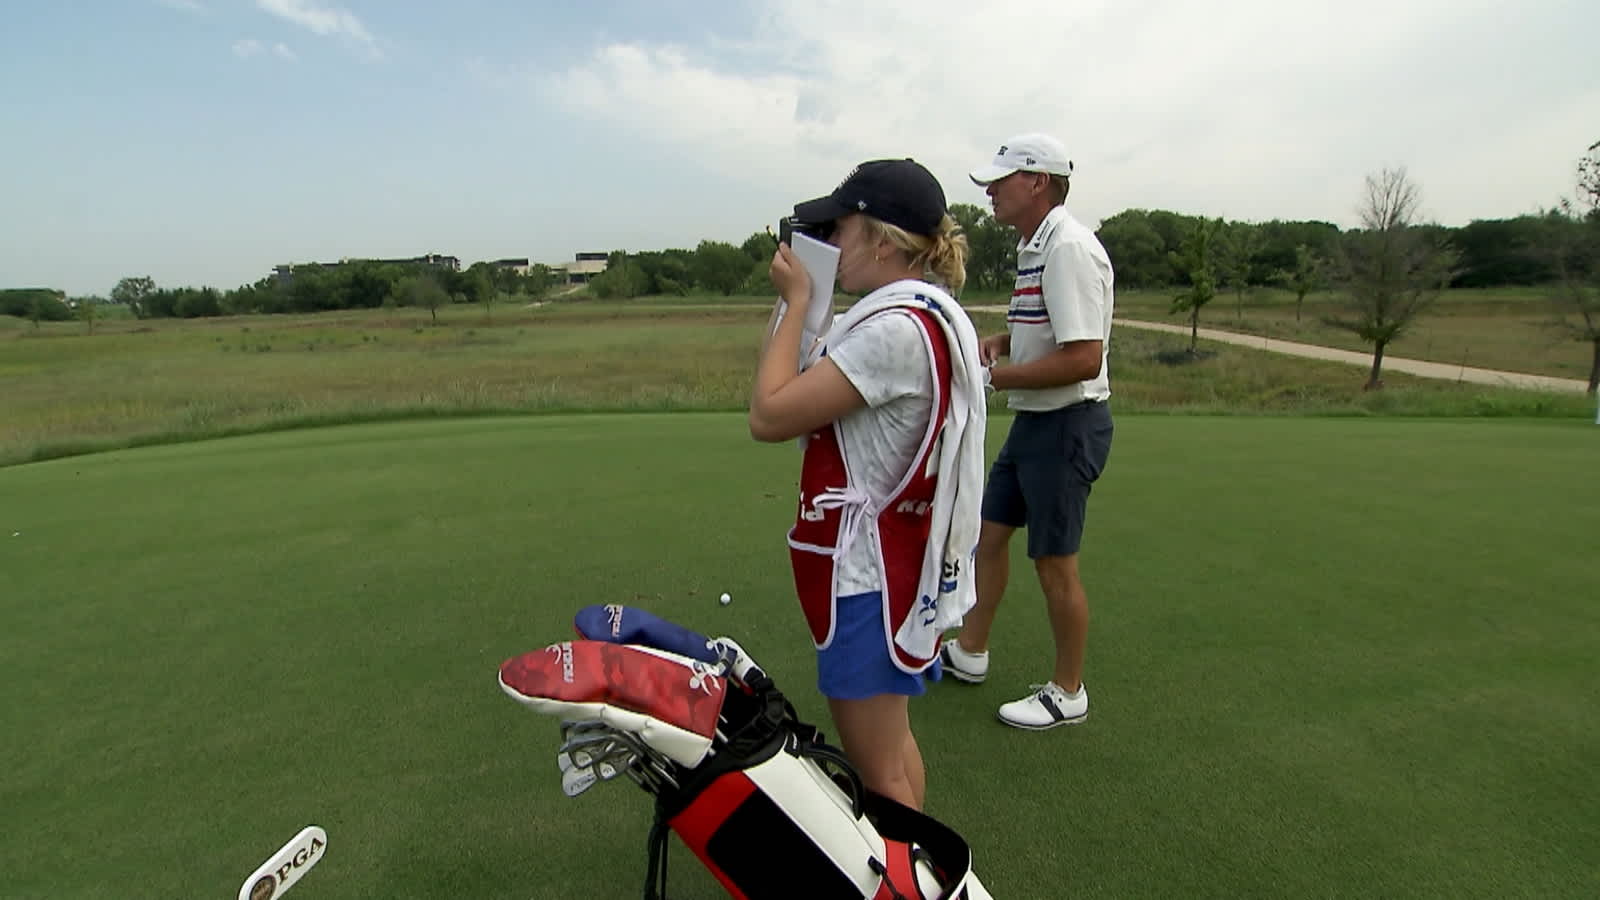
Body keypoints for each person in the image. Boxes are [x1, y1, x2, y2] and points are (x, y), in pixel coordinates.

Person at [750, 158, 987, 810]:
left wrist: (798, 300)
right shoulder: (920, 315)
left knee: (879, 773)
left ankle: (904, 877)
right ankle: (922, 868)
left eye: (841, 227)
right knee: (894, 751)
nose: (829, 243)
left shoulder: (893, 330)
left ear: (883, 240)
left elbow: (769, 414)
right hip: (889, 570)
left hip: (870, 580)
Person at [938, 133, 1115, 731]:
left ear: (1038, 181)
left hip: (1067, 424)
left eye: (1001, 180)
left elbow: (1084, 355)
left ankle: (1069, 692)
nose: (989, 191)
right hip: (1036, 420)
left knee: (1054, 564)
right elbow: (1052, 327)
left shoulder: (1068, 248)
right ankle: (971, 649)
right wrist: (1003, 341)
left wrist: (992, 375)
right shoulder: (1034, 246)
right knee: (988, 537)